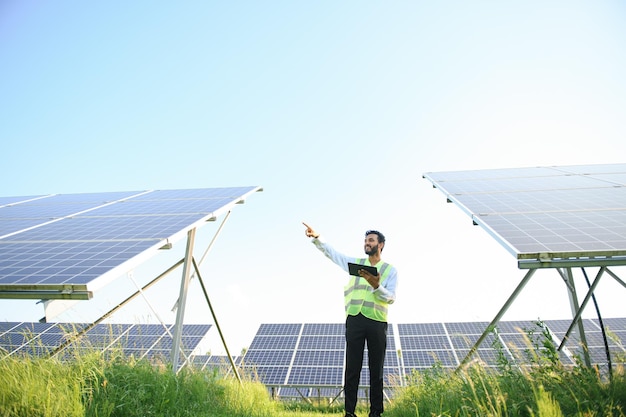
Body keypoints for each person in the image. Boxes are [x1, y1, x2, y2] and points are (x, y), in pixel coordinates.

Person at [302, 222, 398, 417]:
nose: (366, 243)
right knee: (352, 368)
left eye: (371, 240)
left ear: (381, 245)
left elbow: (391, 298)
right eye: (365, 241)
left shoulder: (389, 270)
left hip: (377, 322)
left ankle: (376, 413)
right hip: (355, 320)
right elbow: (333, 254)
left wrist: (376, 286)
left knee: (376, 369)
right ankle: (349, 412)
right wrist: (317, 238)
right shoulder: (356, 265)